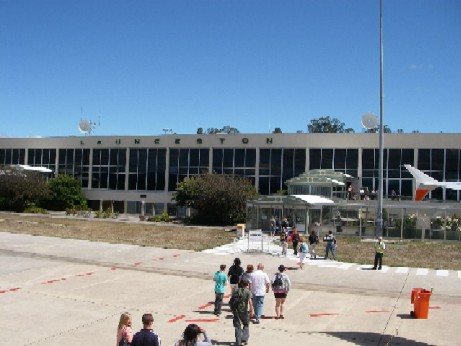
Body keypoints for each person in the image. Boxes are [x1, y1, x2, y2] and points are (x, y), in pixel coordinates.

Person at [231, 279, 254, 346]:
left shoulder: (236, 290)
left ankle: (238, 342)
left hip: (236, 310)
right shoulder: (247, 292)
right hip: (244, 310)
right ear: (247, 284)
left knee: (237, 326)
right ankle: (244, 338)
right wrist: (251, 310)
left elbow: (232, 299)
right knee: (246, 324)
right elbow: (250, 302)